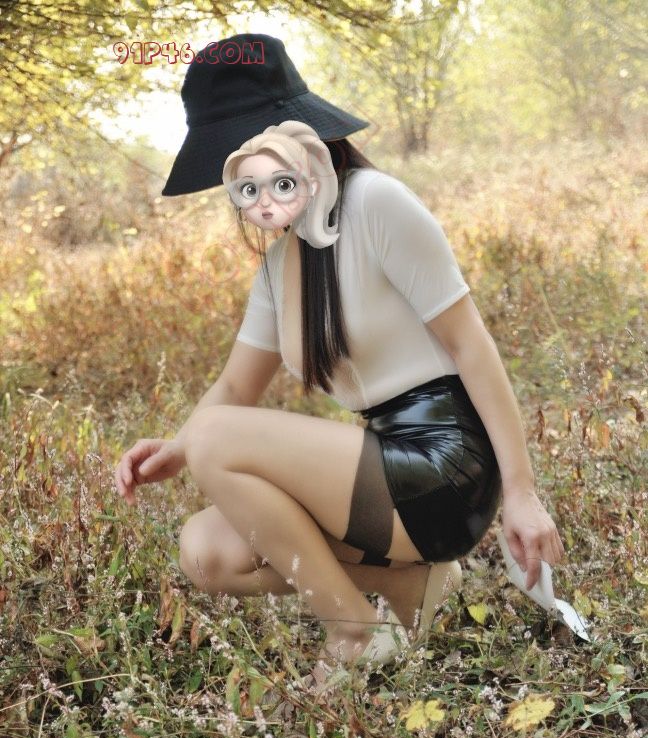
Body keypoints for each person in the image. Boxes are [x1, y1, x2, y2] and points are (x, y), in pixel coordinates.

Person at [114, 33, 564, 671]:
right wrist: (176, 448)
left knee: (216, 437)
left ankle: (353, 632)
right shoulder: (279, 266)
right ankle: (412, 586)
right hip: (384, 469)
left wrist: (521, 492)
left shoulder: (377, 203)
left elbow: (470, 343)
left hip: (445, 464)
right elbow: (236, 387)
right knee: (206, 550)